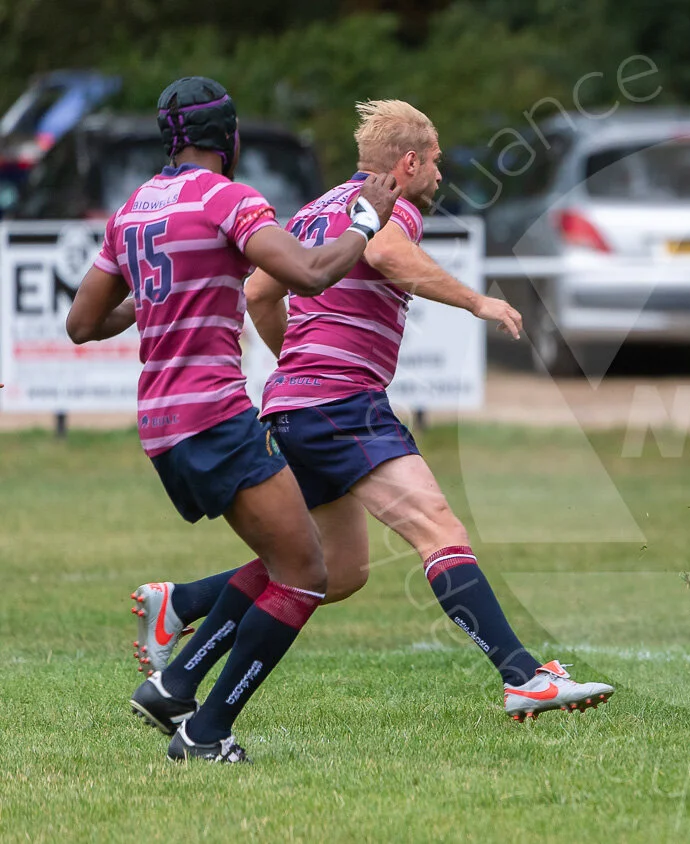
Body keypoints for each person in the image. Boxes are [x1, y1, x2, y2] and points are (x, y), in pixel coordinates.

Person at [127, 99, 614, 722]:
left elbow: (257, 291)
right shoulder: (392, 207)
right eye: (435, 161)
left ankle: (179, 664)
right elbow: (385, 255)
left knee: (336, 569)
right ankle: (523, 675)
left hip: (299, 405)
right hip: (340, 403)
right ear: (408, 162)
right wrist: (476, 302)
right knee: (439, 529)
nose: (440, 174)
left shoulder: (317, 210)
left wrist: (296, 363)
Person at [66, 76, 399, 762]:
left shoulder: (133, 209)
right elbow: (308, 274)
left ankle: (177, 682)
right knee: (307, 572)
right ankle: (206, 730)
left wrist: (156, 305)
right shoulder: (229, 199)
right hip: (214, 414)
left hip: (161, 427)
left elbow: (81, 323)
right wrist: (365, 221)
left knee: (283, 559)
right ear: (229, 137)